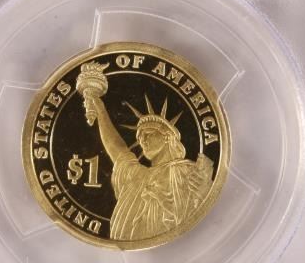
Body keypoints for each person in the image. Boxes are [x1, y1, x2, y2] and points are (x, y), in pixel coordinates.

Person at [77, 62, 213, 242]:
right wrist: (100, 108)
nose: (143, 141)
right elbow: (117, 150)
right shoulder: (138, 176)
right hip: (123, 248)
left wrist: (203, 191)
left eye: (148, 134)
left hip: (174, 248)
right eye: (140, 138)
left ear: (167, 137)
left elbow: (199, 210)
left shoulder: (185, 171)